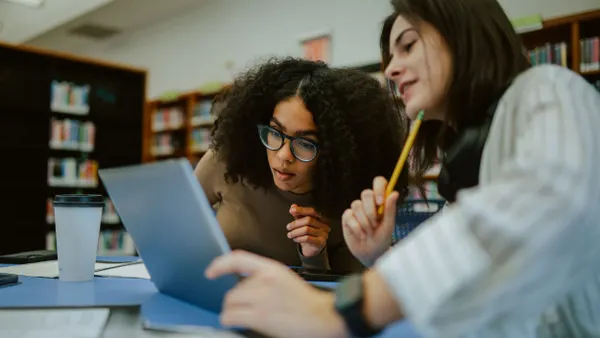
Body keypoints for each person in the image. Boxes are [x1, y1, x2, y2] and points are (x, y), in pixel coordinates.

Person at [203, 0, 600, 337]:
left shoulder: (550, 88)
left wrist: (343, 311)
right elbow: (464, 280)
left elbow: (542, 203)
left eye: (408, 46)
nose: (391, 69)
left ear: (464, 37)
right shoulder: (476, 159)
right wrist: (379, 256)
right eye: (390, 56)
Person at [194, 57, 408, 273]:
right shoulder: (228, 161)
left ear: (335, 151)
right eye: (275, 132)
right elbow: (175, 228)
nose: (284, 155)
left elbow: (339, 294)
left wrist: (314, 254)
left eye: (306, 143)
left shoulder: (349, 203)